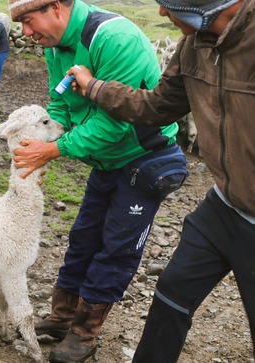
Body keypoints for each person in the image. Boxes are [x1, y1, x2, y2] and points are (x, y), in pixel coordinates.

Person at [66, 0, 254, 362]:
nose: (164, 15)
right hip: (224, 205)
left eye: (170, 5)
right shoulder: (193, 46)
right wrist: (95, 88)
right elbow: (155, 107)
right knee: (171, 294)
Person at [7, 0, 186, 362]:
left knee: (116, 248)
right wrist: (47, 137)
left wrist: (53, 150)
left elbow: (114, 122)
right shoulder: (56, 47)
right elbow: (59, 103)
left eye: (29, 21)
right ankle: (62, 317)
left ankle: (85, 332)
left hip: (143, 159)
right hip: (106, 161)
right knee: (84, 238)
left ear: (56, 7)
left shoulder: (114, 40)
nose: (26, 32)